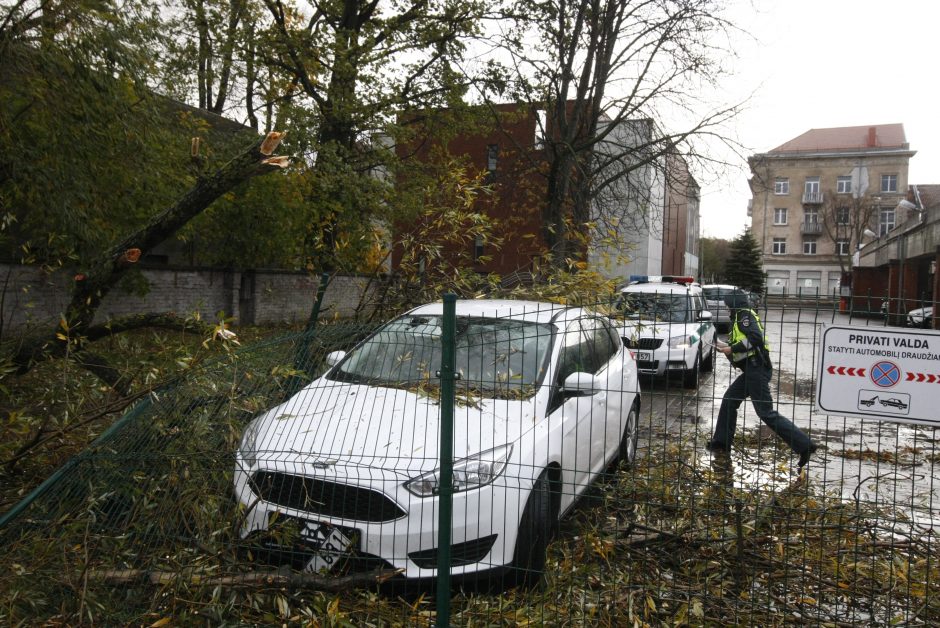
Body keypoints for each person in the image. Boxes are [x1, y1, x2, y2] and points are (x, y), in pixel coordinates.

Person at [706, 291, 819, 469]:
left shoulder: (744, 316)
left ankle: (805, 445)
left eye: (728, 305)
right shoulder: (740, 317)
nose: (726, 308)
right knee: (729, 401)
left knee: (765, 412)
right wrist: (726, 347)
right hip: (752, 370)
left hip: (756, 369)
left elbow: (755, 338)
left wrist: (731, 348)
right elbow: (743, 345)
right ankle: (721, 443)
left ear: (735, 304)